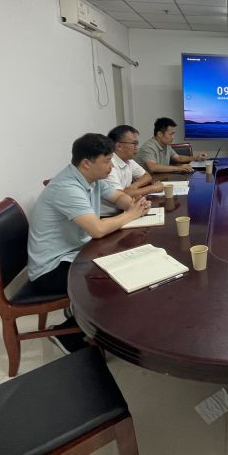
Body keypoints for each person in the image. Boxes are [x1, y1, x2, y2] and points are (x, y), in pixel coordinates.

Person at [27, 133, 151, 352]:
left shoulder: (92, 179)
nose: (111, 167)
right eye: (107, 161)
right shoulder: (67, 188)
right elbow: (97, 229)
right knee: (112, 280)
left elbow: (118, 197)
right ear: (87, 163)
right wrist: (131, 215)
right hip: (51, 268)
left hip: (75, 252)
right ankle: (69, 335)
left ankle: (82, 316)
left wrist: (132, 205)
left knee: (124, 258)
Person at [101, 125, 164, 216]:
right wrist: (153, 188)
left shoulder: (128, 160)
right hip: (108, 215)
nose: (136, 147)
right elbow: (121, 196)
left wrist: (134, 186)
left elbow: (147, 176)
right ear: (119, 146)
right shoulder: (109, 164)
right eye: (134, 143)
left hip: (124, 209)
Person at [135, 117, 206, 174]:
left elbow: (178, 158)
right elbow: (153, 167)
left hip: (159, 179)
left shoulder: (166, 144)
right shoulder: (148, 147)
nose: (173, 137)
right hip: (146, 184)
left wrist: (196, 158)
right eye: (170, 134)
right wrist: (179, 168)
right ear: (160, 134)